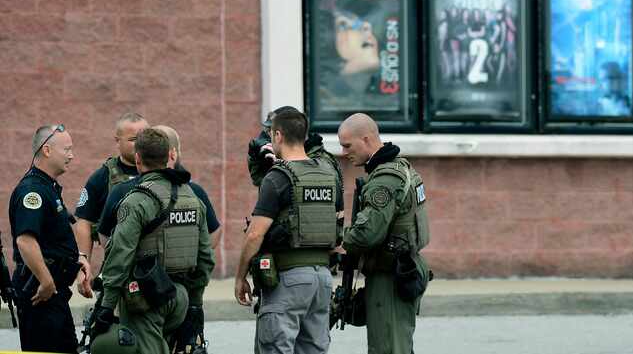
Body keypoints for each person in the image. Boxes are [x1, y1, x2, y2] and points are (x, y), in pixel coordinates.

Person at [91, 128, 215, 354]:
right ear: (170, 155)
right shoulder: (192, 197)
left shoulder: (137, 200)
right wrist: (195, 303)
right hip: (181, 297)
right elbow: (206, 257)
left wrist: (107, 305)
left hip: (146, 298)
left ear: (137, 159)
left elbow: (119, 255)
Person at [235, 106, 342, 354]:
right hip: (322, 280)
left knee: (276, 348)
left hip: (288, 279)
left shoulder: (278, 177)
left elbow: (255, 234)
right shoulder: (329, 174)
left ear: (278, 136)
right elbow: (338, 225)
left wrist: (241, 277)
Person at [339, 113, 431, 354]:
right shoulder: (401, 167)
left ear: (366, 139)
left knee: (388, 348)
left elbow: (368, 234)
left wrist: (338, 238)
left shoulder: (385, 180)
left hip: (390, 275)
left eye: (347, 145)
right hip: (402, 268)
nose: (344, 152)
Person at [9, 124, 91, 353]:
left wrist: (78, 260)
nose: (72, 156)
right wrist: (46, 281)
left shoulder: (48, 187)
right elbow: (25, 241)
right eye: (67, 149)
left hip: (54, 294)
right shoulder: (32, 191)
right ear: (46, 150)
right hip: (40, 295)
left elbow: (53, 242)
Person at [97, 125, 222, 249]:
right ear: (173, 154)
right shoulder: (194, 191)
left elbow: (105, 238)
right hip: (187, 268)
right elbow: (213, 233)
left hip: (139, 269)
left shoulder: (121, 191)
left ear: (138, 157)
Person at [75, 112, 148, 288]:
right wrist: (83, 268)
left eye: (144, 137)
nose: (139, 144)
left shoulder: (159, 172)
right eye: (133, 139)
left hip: (154, 266)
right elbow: (84, 223)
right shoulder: (102, 178)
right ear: (118, 141)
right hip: (118, 268)